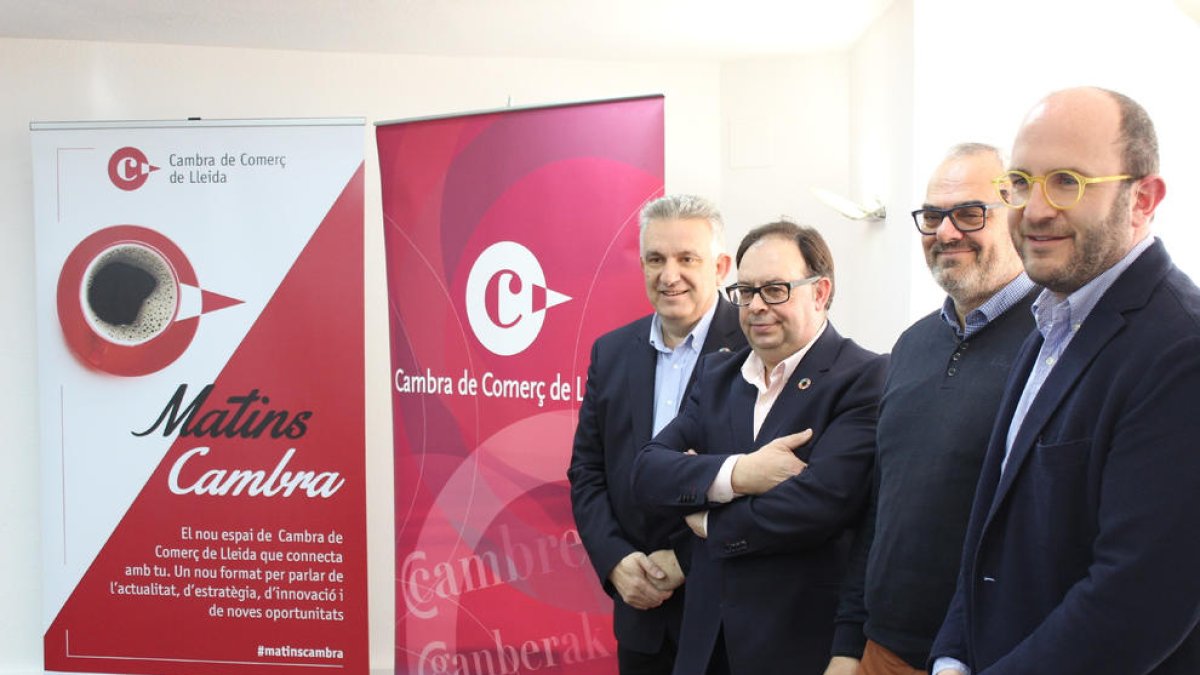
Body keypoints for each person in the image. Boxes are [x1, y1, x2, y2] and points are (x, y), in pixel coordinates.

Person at [930, 87, 1200, 674]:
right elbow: (989, 533)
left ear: (1143, 198)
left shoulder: (1181, 347)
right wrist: (951, 655)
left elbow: (1137, 603)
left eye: (1068, 183)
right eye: (1022, 182)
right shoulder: (1050, 325)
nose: (1035, 209)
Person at [631, 221, 887, 675]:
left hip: (795, 646)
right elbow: (648, 471)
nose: (755, 307)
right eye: (745, 292)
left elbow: (820, 504)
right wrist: (737, 475)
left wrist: (707, 517)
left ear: (820, 292)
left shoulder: (862, 377)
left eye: (774, 290)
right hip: (704, 645)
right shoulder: (718, 377)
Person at [825, 144, 1037, 675]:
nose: (946, 232)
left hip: (991, 657)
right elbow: (881, 504)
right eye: (933, 216)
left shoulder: (1054, 342)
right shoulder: (912, 345)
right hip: (885, 650)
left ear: (1014, 214)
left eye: (970, 213)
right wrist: (850, 642)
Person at [569, 194, 746, 674]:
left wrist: (688, 558)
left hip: (731, 619)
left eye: (687, 258)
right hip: (640, 615)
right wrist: (614, 560)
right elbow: (586, 471)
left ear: (721, 266)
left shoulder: (757, 347)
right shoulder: (611, 352)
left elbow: (775, 485)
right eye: (655, 259)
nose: (670, 275)